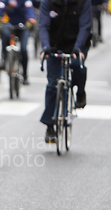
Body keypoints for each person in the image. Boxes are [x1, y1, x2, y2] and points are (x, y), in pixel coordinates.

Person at [38, 0, 92, 142]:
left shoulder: (83, 2)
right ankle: (50, 127)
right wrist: (45, 46)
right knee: (52, 85)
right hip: (54, 46)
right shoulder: (48, 2)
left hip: (77, 45)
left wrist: (78, 47)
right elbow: (43, 26)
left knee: (77, 65)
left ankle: (80, 92)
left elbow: (85, 26)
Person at [0, 0, 36, 85]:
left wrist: (31, 20)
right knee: (5, 37)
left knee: (23, 49)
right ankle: (5, 59)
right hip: (10, 26)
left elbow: (30, 10)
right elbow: (0, 8)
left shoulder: (26, 1)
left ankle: (25, 75)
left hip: (23, 27)